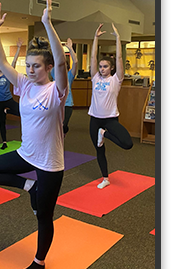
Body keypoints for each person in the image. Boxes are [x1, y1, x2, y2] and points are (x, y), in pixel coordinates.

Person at [0, 0, 68, 269]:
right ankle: (29, 187)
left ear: (48, 67)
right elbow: (4, 64)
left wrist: (47, 23)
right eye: (28, 66)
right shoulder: (25, 85)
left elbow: (63, 63)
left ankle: (39, 262)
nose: (30, 70)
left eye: (36, 66)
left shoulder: (56, 90)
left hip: (50, 163)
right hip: (26, 153)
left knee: (44, 215)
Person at [88, 23, 133, 189]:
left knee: (127, 144)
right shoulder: (95, 78)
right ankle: (105, 178)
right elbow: (92, 58)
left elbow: (120, 59)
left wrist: (118, 39)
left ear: (112, 68)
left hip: (110, 120)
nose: (102, 69)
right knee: (99, 151)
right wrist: (95, 38)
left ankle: (104, 134)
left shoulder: (116, 80)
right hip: (94, 119)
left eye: (105, 66)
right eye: (100, 66)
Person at [51, 37, 78, 135]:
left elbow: (75, 62)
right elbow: (55, 58)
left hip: (67, 105)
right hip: (55, 103)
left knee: (63, 126)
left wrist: (70, 48)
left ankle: (63, 134)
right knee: (56, 127)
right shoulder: (54, 72)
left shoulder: (70, 75)